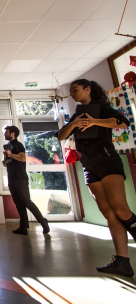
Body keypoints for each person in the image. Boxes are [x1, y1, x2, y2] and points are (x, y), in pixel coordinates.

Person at [57, 79, 136, 277]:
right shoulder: (77, 113)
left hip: (107, 160)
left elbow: (122, 123)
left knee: (120, 208)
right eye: (70, 91)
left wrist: (94, 121)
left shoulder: (103, 108)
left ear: (88, 89)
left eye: (75, 90)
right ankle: (122, 262)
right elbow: (61, 136)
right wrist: (74, 123)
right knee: (109, 213)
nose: (72, 93)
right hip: (89, 166)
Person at [3, 125, 50, 235]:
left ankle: (43, 221)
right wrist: (5, 157)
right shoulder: (8, 147)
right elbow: (6, 164)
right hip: (11, 178)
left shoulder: (18, 145)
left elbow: (23, 158)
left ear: (13, 134)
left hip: (20, 178)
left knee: (26, 201)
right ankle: (23, 227)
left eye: (7, 132)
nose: (5, 134)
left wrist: (11, 155)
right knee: (18, 203)